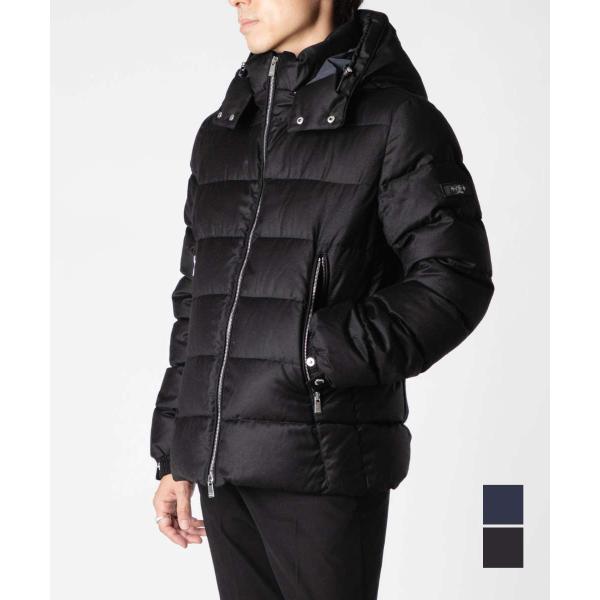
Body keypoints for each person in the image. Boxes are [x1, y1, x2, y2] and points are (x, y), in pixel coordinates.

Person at [151, 1, 494, 598]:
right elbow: (196, 300)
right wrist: (176, 450)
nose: (238, 0)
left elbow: (454, 279)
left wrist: (310, 356)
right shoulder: (223, 133)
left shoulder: (396, 122)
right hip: (223, 468)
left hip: (322, 457)